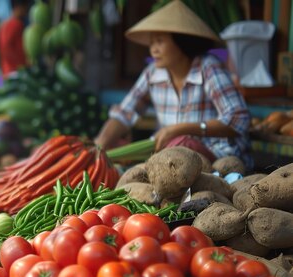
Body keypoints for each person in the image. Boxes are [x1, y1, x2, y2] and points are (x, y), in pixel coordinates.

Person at [94, 0, 252, 168]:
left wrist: (178, 129)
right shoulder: (153, 72)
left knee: (183, 144)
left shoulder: (208, 68)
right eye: (152, 42)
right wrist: (100, 144)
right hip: (172, 159)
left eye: (160, 41)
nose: (153, 49)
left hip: (219, 158)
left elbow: (239, 119)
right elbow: (124, 114)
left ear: (181, 42)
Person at [0, 0, 31, 76]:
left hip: (6, 71)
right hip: (16, 72)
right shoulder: (17, 24)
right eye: (25, 8)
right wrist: (23, 64)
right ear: (18, 7)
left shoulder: (3, 25)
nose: (26, 11)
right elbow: (7, 47)